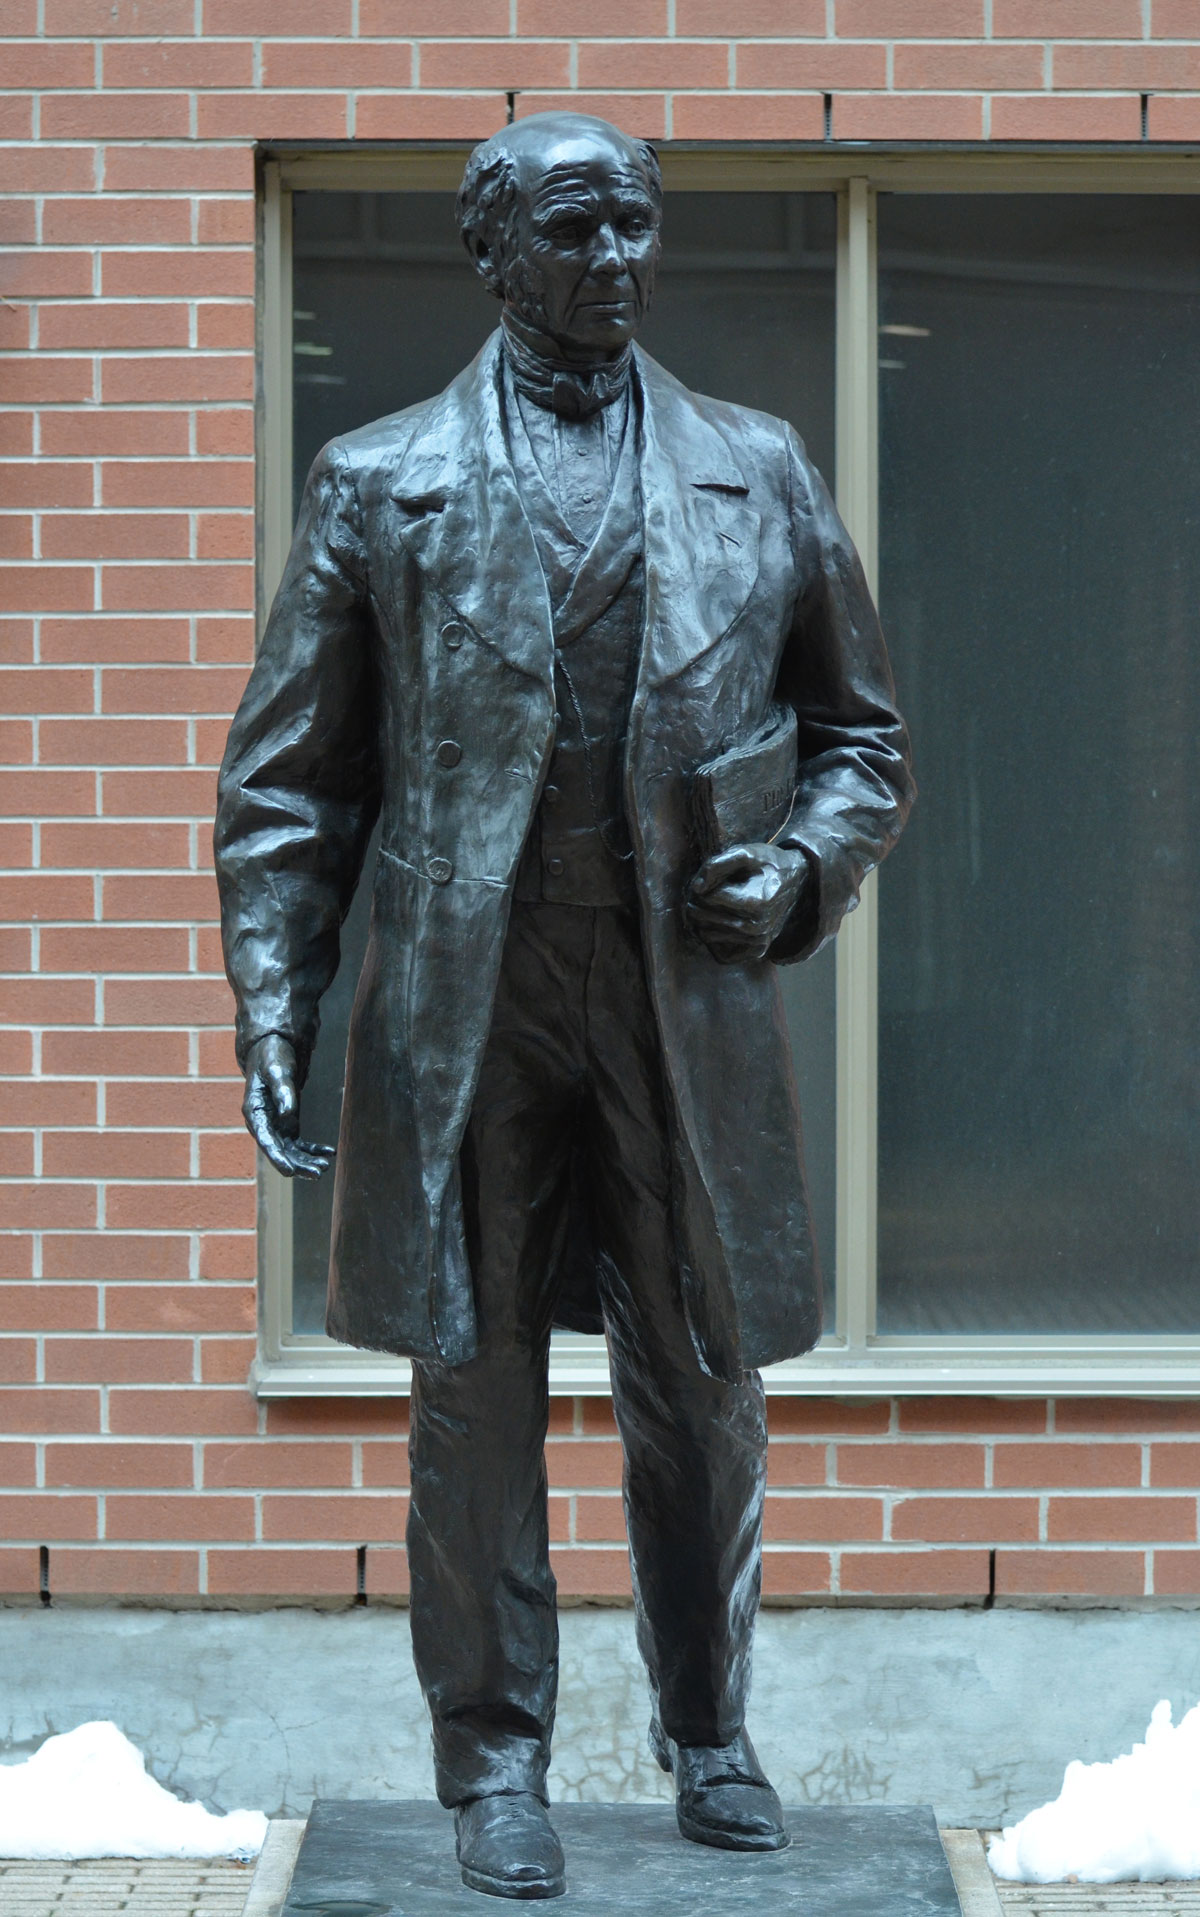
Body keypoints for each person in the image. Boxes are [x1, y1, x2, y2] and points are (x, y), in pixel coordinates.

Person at [214, 112, 913, 1901]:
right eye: (579, 230)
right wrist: (275, 1005)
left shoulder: (757, 465)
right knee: (474, 1392)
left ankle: (712, 1729)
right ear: (494, 254)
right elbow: (291, 789)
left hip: (684, 995)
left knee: (706, 1376)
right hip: (472, 999)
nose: (619, 260)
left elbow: (864, 740)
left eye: (639, 226)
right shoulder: (380, 481)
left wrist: (801, 865)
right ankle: (493, 1757)